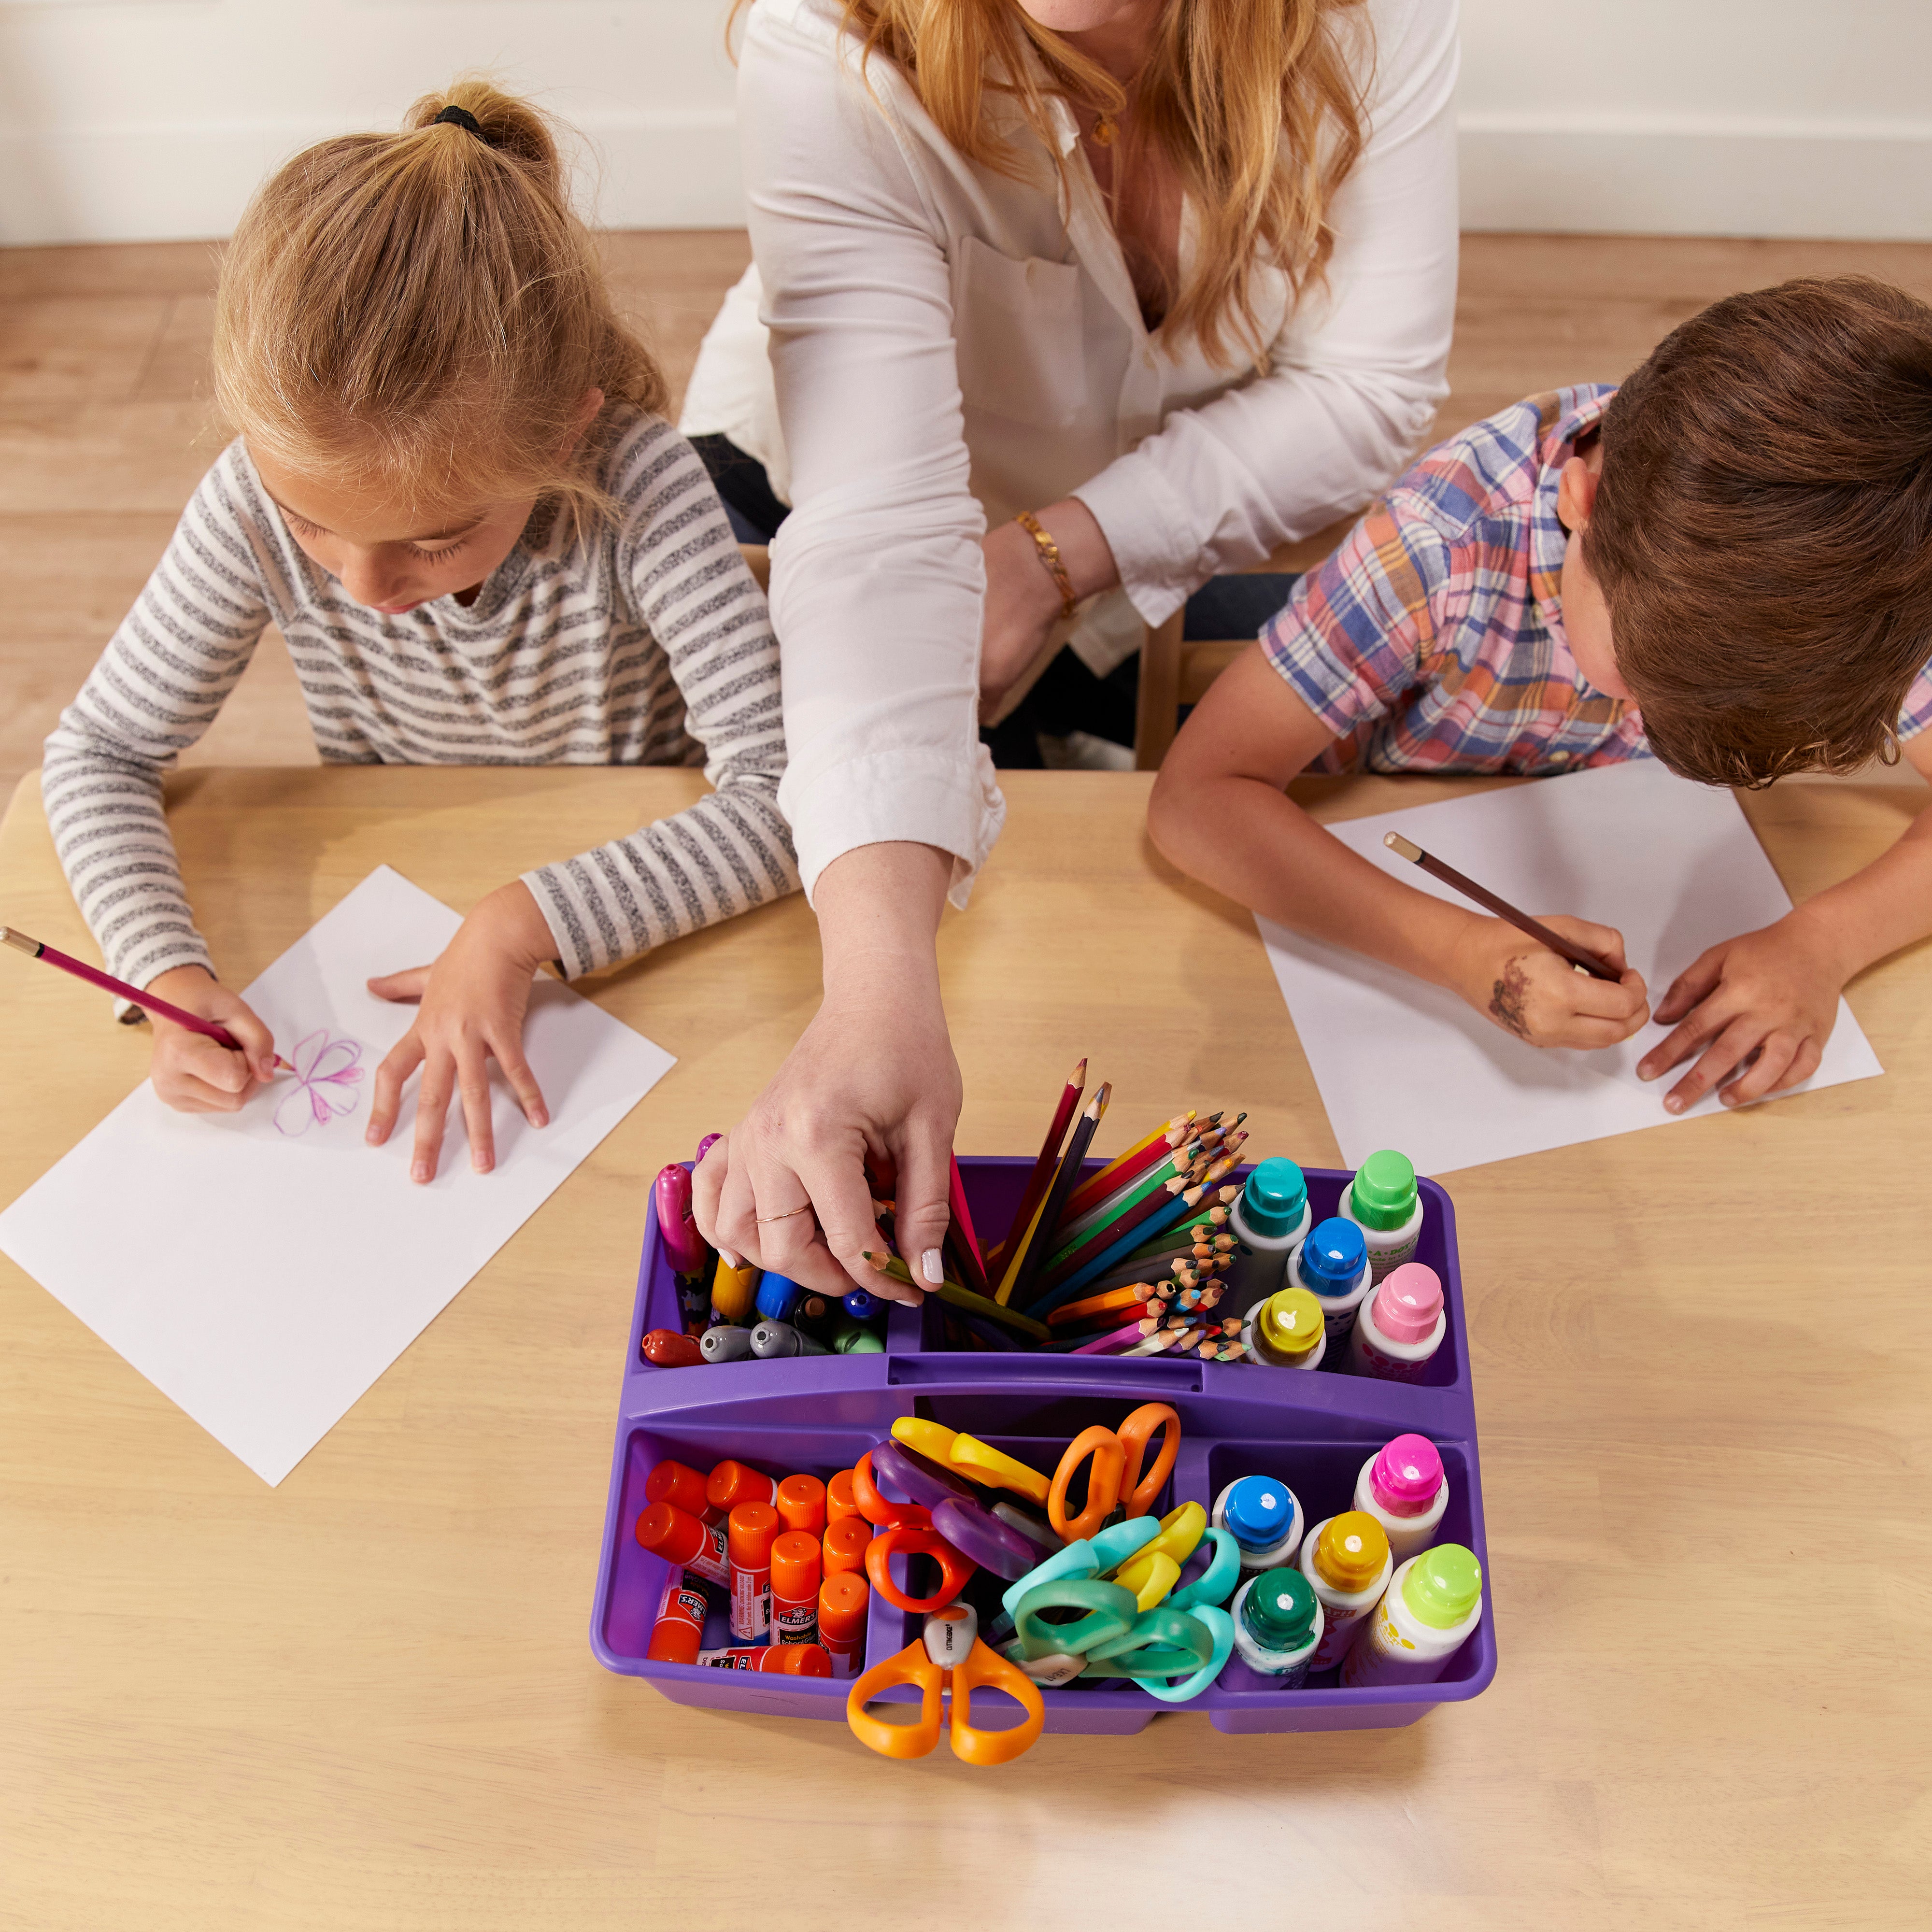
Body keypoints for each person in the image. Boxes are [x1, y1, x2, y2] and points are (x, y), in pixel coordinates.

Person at [687, 0, 1460, 1302]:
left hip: (1141, 527)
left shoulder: (1369, 19)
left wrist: (1056, 558)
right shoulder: (818, 38)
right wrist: (878, 986)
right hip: (820, 498)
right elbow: (876, 526)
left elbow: (1365, 390)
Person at [42, 81, 797, 1182]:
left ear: (563, 435)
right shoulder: (251, 499)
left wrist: (515, 923)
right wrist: (163, 971)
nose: (364, 585)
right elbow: (96, 751)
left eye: (437, 541)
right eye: (315, 526)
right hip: (402, 883)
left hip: (633, 931)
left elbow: (782, 793)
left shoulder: (638, 486)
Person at [1148, 276, 1932, 1114]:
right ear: (1581, 503)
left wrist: (1824, 940)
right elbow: (1196, 801)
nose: (1653, 725)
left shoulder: (1870, 579)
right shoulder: (1436, 550)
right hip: (1356, 819)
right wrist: (1456, 952)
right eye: (1643, 680)